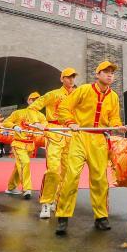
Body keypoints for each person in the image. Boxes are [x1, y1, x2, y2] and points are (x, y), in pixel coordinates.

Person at [56, 61, 126, 236]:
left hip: (99, 140)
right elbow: (64, 108)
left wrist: (118, 126)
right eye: (106, 72)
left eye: (112, 72)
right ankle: (63, 217)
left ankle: (101, 217)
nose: (110, 75)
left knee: (100, 180)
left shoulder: (114, 96)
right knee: (71, 176)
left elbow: (114, 118)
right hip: (80, 137)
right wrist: (71, 122)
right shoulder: (84, 90)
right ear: (97, 74)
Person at [27, 67, 78, 218]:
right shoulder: (53, 94)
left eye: (73, 77)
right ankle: (46, 203)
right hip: (54, 132)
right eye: (68, 77)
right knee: (53, 169)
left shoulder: (77, 95)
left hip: (70, 134)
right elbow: (33, 107)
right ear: (62, 79)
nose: (71, 80)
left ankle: (58, 200)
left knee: (66, 171)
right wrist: (38, 122)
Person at [3, 92, 48, 200]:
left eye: (37, 100)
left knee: (19, 166)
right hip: (19, 143)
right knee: (25, 163)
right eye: (33, 100)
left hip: (30, 145)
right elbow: (6, 122)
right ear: (28, 101)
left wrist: (41, 126)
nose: (35, 102)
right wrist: (14, 126)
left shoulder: (41, 116)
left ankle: (11, 187)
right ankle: (27, 189)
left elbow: (46, 125)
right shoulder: (19, 113)